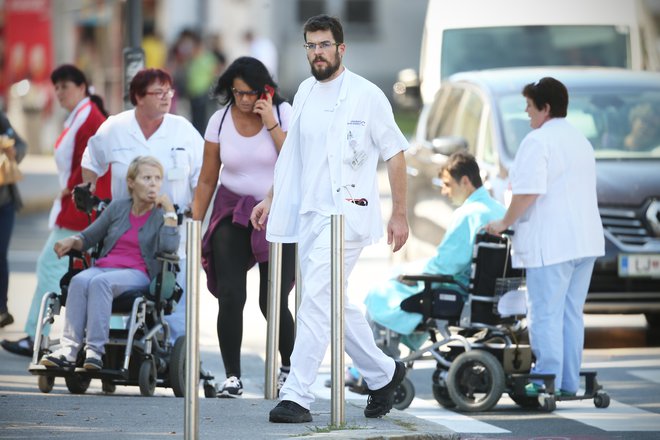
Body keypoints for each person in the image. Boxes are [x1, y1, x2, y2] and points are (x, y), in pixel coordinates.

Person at [250, 14, 409, 423]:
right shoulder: (303, 91)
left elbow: (395, 152)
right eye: (310, 45)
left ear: (341, 48)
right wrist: (271, 196)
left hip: (347, 216)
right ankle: (384, 373)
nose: (317, 52)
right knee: (334, 303)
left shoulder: (367, 95)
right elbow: (293, 157)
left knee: (316, 302)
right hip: (310, 215)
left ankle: (298, 395)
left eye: (324, 44)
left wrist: (400, 214)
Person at [485, 77, 604, 398]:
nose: (526, 112)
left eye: (529, 106)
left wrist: (501, 222)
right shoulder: (580, 140)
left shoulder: (538, 142)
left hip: (552, 243)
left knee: (545, 312)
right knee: (570, 312)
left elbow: (527, 193)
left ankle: (546, 378)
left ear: (545, 108)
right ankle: (566, 382)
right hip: (586, 241)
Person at [192, 56, 296, 398]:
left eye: (252, 93)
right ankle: (232, 376)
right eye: (239, 93)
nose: (246, 100)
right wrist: (194, 224)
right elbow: (207, 179)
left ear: (266, 90)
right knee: (231, 294)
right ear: (229, 91)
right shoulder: (219, 121)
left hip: (276, 210)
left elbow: (296, 161)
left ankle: (288, 368)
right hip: (231, 209)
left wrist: (270, 123)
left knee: (273, 299)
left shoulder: (283, 114)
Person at [80, 68, 204, 342]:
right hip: (126, 237)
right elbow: (91, 161)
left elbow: (204, 176)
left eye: (168, 91)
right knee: (126, 302)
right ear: (137, 97)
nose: (166, 97)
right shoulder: (116, 128)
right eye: (157, 92)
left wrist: (196, 209)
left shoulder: (182, 130)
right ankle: (115, 353)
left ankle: (176, 359)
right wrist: (88, 187)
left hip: (172, 236)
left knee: (175, 310)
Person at [1, 65, 111, 356]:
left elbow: (93, 165)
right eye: (57, 86)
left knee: (53, 266)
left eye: (66, 86)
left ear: (82, 86)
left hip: (81, 207)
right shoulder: (81, 115)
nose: (60, 92)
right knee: (90, 273)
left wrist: (72, 189)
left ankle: (36, 336)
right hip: (78, 204)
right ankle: (40, 335)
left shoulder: (89, 118)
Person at [39, 156, 179, 369]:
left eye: (157, 178)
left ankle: (94, 352)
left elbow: (169, 248)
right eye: (147, 177)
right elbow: (89, 237)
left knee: (100, 283)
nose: (153, 183)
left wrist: (170, 212)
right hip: (105, 267)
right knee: (78, 281)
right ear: (131, 183)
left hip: (137, 272)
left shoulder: (161, 214)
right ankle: (69, 350)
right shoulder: (118, 208)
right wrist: (73, 240)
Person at [364, 151, 506, 352]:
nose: (444, 192)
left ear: (465, 181)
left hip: (457, 291)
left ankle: (379, 364)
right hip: (490, 294)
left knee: (380, 294)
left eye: (447, 185)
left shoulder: (469, 214)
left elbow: (445, 265)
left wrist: (409, 276)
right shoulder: (499, 211)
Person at [0, 112, 26, 329]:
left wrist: (13, 152)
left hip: (4, 200)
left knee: (0, 253)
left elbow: (21, 144)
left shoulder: (1, 119)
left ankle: (1, 309)